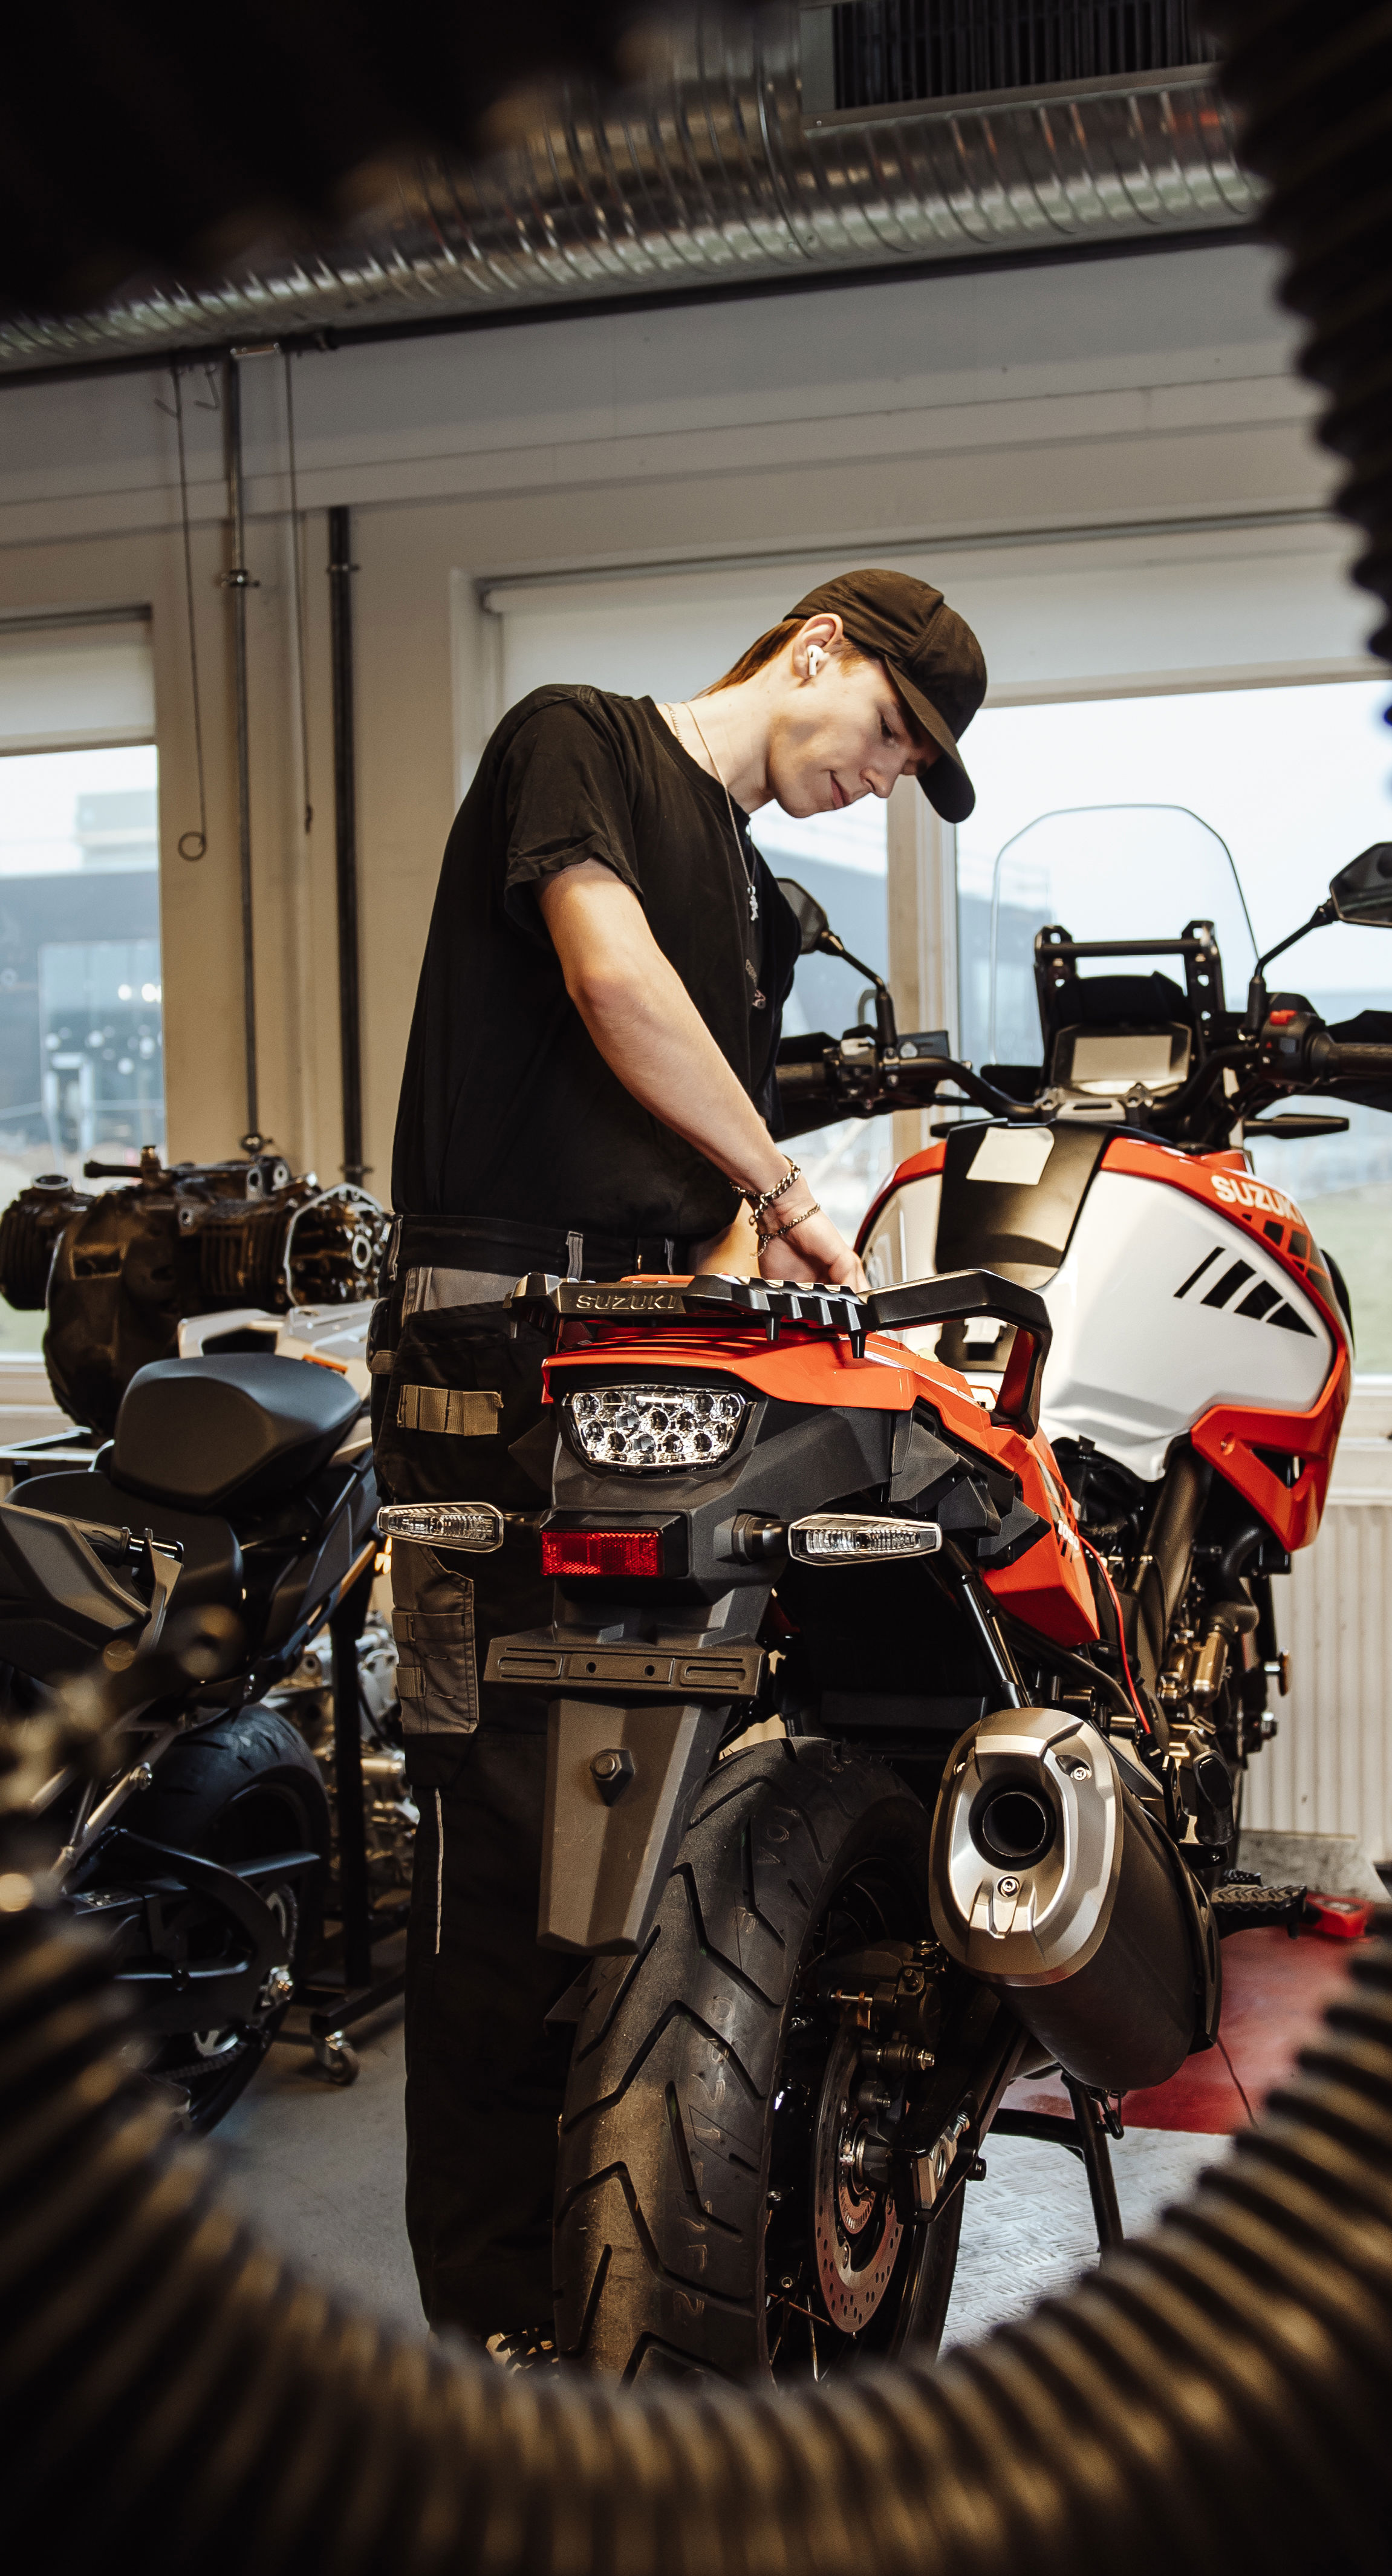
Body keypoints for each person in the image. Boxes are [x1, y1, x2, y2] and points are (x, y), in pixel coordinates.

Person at [372, 567, 987, 2362]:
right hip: (494, 1359)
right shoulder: (576, 739)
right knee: (498, 1849)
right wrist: (789, 1193)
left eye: (911, 765)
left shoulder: (751, 890)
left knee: (640, 1848)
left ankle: (626, 2302)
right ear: (817, 648)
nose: (883, 776)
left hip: (645, 1351)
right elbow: (607, 977)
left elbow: (695, 1168)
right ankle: (498, 2334)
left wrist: (769, 1278)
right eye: (891, 732)